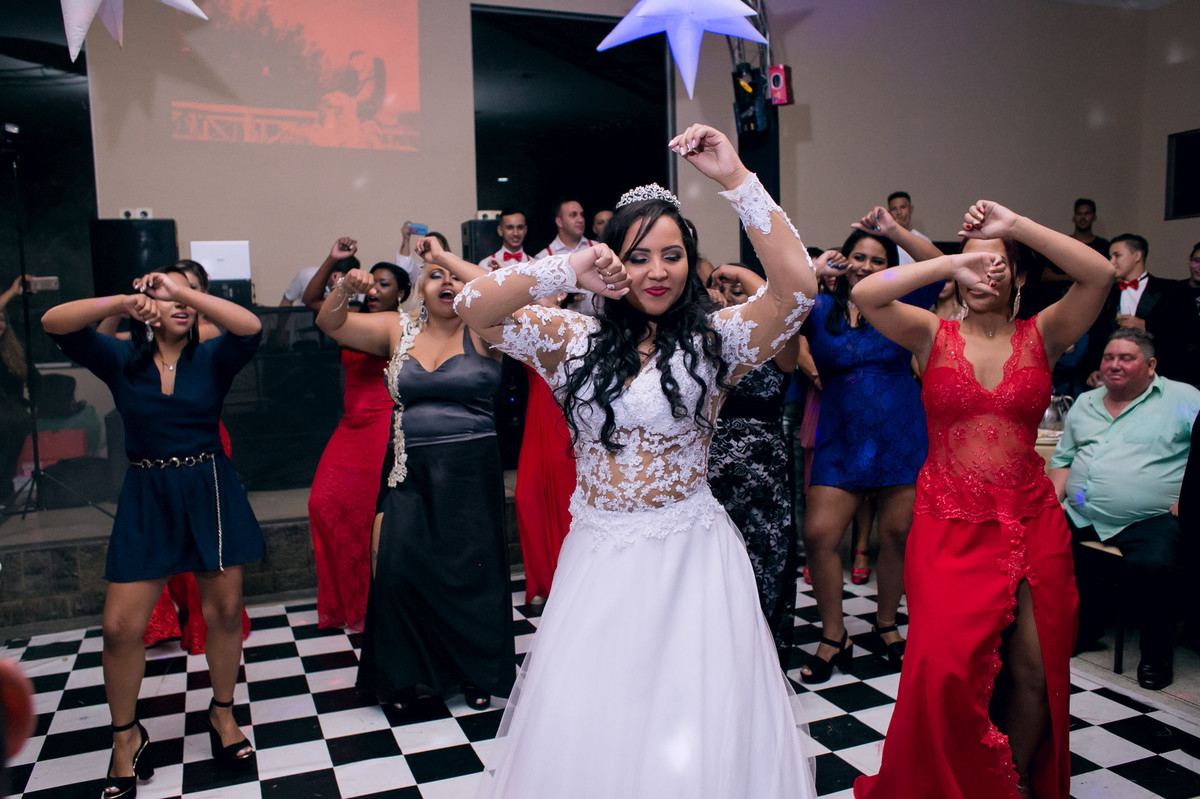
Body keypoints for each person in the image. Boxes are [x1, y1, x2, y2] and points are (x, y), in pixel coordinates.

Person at [456, 123, 820, 799]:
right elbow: (473, 305)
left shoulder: (718, 339)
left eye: (674, 255)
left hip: (694, 559)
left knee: (696, 729)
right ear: (614, 260)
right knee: (603, 728)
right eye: (640, 255)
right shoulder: (571, 337)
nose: (658, 270)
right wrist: (567, 267)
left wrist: (736, 179)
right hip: (601, 560)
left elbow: (797, 290)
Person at [850, 199, 1114, 798]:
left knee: (1034, 671)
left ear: (1021, 276)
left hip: (1032, 519)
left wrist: (1014, 226)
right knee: (943, 669)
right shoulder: (930, 334)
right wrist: (956, 261)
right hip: (948, 524)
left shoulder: (1044, 334)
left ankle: (1009, 784)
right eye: (975, 267)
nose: (985, 275)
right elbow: (868, 295)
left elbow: (1098, 274)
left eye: (1000, 266)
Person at [41, 264, 264, 797]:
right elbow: (54, 322)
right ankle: (125, 738)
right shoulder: (122, 360)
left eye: (188, 297)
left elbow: (250, 327)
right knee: (120, 628)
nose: (180, 305)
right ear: (146, 310)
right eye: (165, 297)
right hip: (148, 495)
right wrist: (121, 302)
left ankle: (223, 715)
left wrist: (181, 291)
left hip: (209, 487)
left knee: (225, 612)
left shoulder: (212, 358)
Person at [315, 239, 514, 711]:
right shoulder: (394, 329)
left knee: (472, 573)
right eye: (433, 275)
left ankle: (474, 671)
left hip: (471, 471)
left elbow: (505, 289)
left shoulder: (486, 327)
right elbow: (331, 322)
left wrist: (446, 258)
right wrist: (343, 285)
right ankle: (404, 673)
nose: (445, 282)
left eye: (453, 276)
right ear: (417, 289)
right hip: (411, 468)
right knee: (401, 568)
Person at [799, 206, 944, 683]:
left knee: (897, 535)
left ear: (891, 270)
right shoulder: (818, 309)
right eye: (857, 256)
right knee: (820, 533)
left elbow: (937, 261)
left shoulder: (905, 305)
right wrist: (810, 272)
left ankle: (886, 625)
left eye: (877, 260)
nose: (864, 266)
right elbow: (777, 301)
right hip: (840, 435)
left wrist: (896, 231)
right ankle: (833, 635)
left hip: (900, 432)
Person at [1050, 329, 1199, 690]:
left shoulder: (1183, 398)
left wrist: (1191, 498)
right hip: (1082, 511)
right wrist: (1051, 504)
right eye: (1108, 358)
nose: (1114, 365)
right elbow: (1064, 458)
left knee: (1155, 566)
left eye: (1126, 358)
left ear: (1150, 366)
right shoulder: (1086, 402)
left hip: (1149, 518)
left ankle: (1156, 655)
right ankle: (1082, 631)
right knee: (1044, 545)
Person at [304, 238, 409, 631]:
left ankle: (378, 604)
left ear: (401, 292)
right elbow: (310, 300)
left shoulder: (404, 326)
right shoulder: (347, 316)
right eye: (372, 284)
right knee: (323, 503)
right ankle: (347, 598)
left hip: (384, 427)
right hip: (350, 428)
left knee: (373, 517)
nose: (375, 290)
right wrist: (335, 261)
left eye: (385, 285)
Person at [706, 261, 801, 663]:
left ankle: (765, 657)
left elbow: (786, 310)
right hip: (710, 468)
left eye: (741, 292)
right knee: (715, 567)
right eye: (724, 290)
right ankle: (719, 657)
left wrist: (737, 272)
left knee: (767, 557)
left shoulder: (778, 341)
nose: (733, 297)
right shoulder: (711, 334)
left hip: (765, 470)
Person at [513, 289, 576, 604]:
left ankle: (569, 581)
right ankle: (541, 578)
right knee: (529, 497)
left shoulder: (576, 325)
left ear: (563, 292)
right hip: (537, 420)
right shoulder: (524, 324)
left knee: (567, 498)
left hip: (565, 420)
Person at [0, 277, 33, 500]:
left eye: (2, 320)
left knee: (18, 422)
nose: (0, 324)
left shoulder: (11, 352)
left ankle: (5, 487)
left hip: (13, 413)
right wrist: (12, 292)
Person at [886, 191, 934, 264]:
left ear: (911, 209)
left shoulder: (923, 240)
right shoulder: (885, 240)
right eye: (894, 209)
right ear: (889, 212)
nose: (899, 212)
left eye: (903, 207)